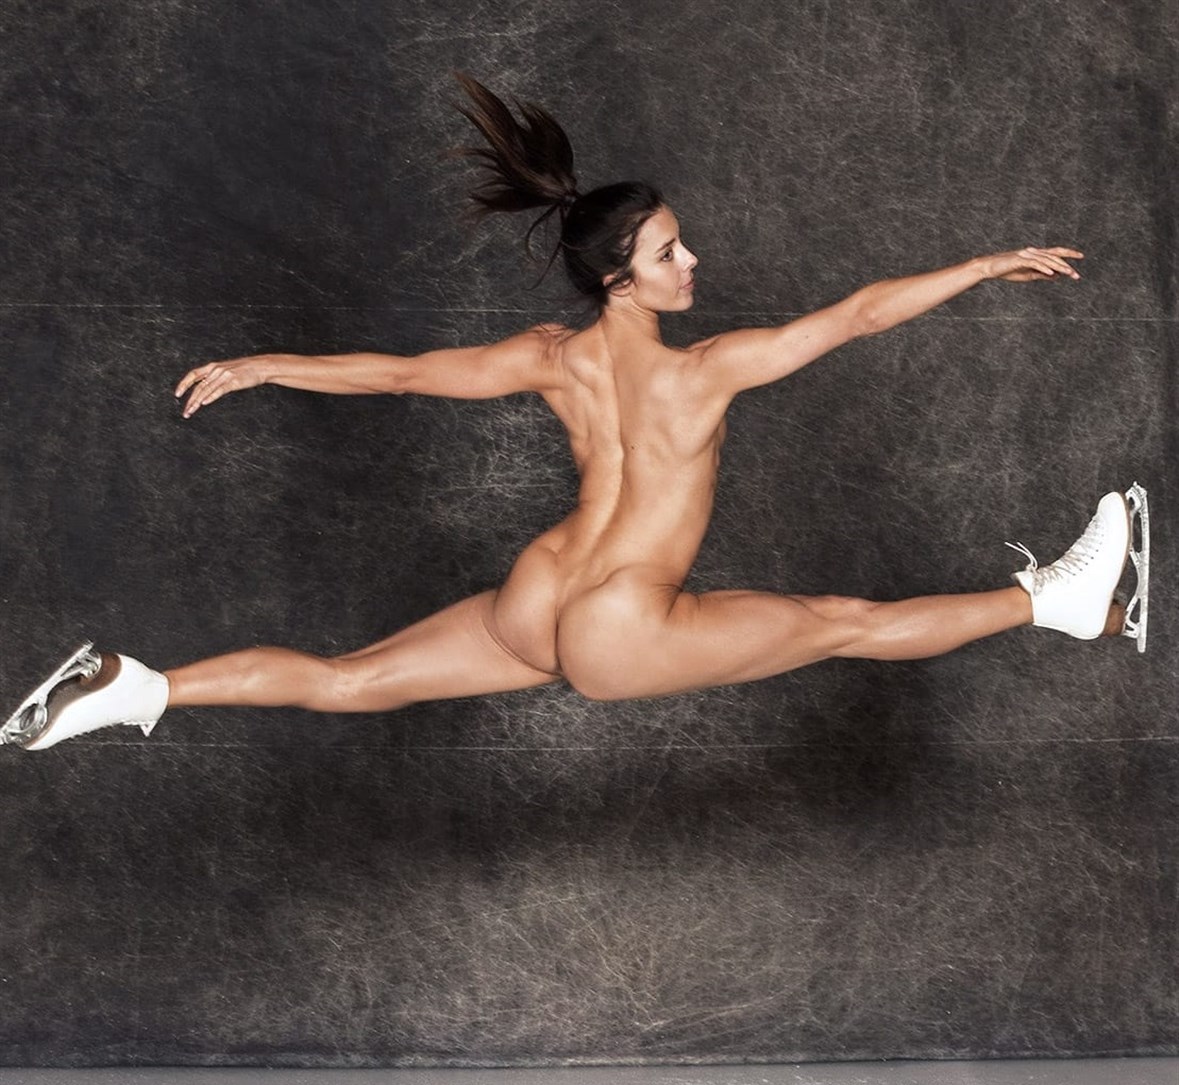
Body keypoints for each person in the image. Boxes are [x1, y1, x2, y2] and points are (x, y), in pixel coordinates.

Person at [2, 75, 1148, 751]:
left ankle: (145, 686)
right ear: (619, 278)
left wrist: (269, 366)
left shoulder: (550, 360)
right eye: (668, 254)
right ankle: (1050, 598)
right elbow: (855, 317)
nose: (691, 263)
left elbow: (402, 376)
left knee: (349, 678)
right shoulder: (708, 372)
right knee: (844, 622)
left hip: (536, 594)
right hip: (616, 622)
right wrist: (982, 265)